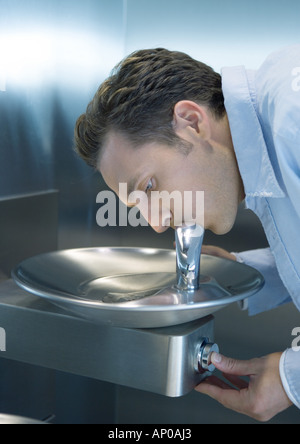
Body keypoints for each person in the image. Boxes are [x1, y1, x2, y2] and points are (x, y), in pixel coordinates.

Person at [74, 46, 300, 421]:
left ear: (191, 122)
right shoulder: (271, 138)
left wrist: (291, 379)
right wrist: (240, 271)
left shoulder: (292, 115)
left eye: (148, 186)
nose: (158, 224)